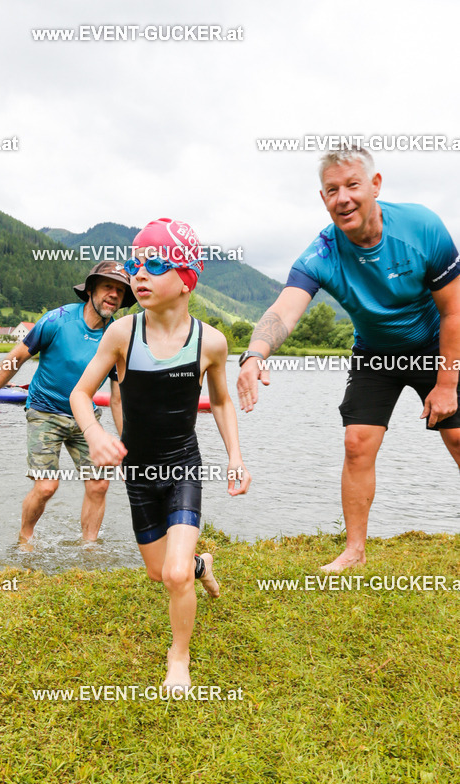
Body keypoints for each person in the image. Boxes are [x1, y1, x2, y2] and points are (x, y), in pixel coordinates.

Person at [237, 145, 460, 571]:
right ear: (323, 199)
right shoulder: (320, 254)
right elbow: (284, 309)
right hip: (375, 354)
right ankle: (354, 551)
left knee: (457, 438)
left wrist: (447, 383)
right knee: (357, 444)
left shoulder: (422, 226)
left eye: (352, 185)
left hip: (436, 345)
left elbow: (454, 310)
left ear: (375, 185)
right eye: (332, 190)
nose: (343, 198)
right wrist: (253, 354)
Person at [70, 219, 250, 695]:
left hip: (184, 465)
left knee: (172, 573)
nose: (139, 276)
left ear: (187, 276)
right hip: (139, 472)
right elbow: (81, 395)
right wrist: (94, 434)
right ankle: (201, 565)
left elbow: (223, 401)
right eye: (135, 266)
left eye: (154, 264)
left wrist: (235, 456)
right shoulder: (122, 334)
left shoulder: (210, 342)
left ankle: (179, 656)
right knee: (160, 572)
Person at [0, 261, 132, 543]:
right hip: (44, 410)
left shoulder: (117, 336)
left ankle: (89, 547)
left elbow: (118, 398)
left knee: (99, 484)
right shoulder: (57, 319)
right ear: (91, 289)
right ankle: (25, 538)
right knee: (46, 486)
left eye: (121, 290)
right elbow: (17, 358)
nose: (114, 294)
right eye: (108, 286)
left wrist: (125, 442)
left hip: (87, 419)